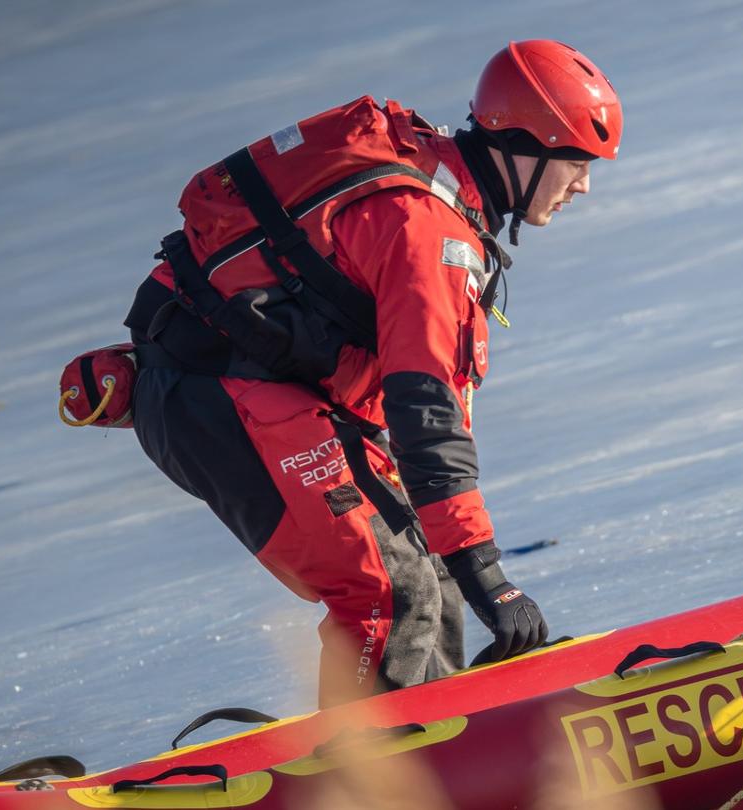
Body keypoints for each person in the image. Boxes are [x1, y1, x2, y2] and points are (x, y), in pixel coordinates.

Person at [120, 40, 622, 706]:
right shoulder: (430, 235)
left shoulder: (435, 181)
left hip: (253, 390)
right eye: (575, 164)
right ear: (523, 149)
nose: (583, 185)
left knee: (426, 575)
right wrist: (492, 580)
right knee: (388, 587)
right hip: (217, 396)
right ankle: (377, 779)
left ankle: (443, 744)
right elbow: (427, 417)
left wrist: (463, 568)